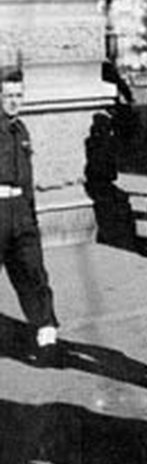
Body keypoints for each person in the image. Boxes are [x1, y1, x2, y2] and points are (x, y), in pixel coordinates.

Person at [0, 68, 60, 366]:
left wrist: (31, 218)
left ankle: (46, 337)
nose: (14, 102)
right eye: (8, 96)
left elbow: (26, 178)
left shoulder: (21, 129)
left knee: (34, 274)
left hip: (21, 214)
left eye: (18, 96)